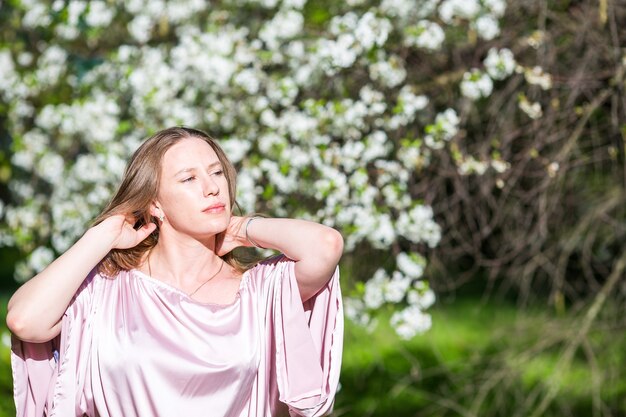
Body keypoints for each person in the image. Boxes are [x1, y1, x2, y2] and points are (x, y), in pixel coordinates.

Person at [7, 127, 344, 417]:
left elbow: (325, 245)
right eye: (189, 178)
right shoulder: (104, 291)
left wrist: (242, 228)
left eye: (216, 173)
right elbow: (26, 320)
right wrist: (104, 234)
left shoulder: (260, 292)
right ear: (155, 203)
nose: (211, 188)